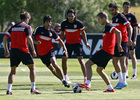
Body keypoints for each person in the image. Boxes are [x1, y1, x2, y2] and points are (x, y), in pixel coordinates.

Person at [78, 11, 122, 92]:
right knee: (99, 70)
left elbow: (118, 32)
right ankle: (110, 88)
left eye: (99, 19)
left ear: (104, 18)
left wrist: (119, 45)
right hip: (108, 52)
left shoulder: (108, 26)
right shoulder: (106, 27)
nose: (98, 21)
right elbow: (109, 41)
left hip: (106, 51)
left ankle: (88, 83)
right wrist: (101, 49)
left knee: (87, 64)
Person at [3, 11, 41, 95]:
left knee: (12, 71)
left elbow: (5, 38)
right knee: (32, 68)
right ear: (27, 18)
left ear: (20, 18)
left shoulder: (13, 27)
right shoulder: (27, 27)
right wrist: (33, 50)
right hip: (24, 50)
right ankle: (33, 89)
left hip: (13, 51)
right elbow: (30, 38)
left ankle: (9, 90)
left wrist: (6, 50)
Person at [32, 15, 70, 88]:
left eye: (50, 21)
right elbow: (31, 38)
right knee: (52, 69)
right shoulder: (39, 29)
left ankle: (64, 80)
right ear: (44, 22)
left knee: (54, 63)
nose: (49, 23)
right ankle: (62, 80)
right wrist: (35, 42)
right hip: (42, 53)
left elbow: (60, 40)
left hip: (50, 50)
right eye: (47, 22)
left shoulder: (52, 31)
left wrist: (65, 49)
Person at [60, 9, 91, 84]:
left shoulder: (79, 23)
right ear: (67, 16)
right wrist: (61, 42)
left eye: (72, 16)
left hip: (77, 44)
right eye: (69, 16)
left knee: (80, 60)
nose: (70, 18)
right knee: (64, 59)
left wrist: (86, 43)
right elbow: (62, 33)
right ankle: (66, 76)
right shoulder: (64, 23)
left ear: (74, 16)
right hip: (68, 44)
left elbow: (83, 33)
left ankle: (85, 78)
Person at [108, 2, 133, 89]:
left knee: (122, 60)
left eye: (112, 10)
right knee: (114, 61)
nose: (111, 11)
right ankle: (121, 81)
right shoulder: (113, 18)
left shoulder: (121, 17)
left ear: (117, 9)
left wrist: (129, 39)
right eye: (110, 10)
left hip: (123, 41)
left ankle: (124, 81)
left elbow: (130, 27)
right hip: (115, 42)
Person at [122, 1, 138, 79]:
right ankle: (126, 73)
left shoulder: (132, 16)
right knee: (125, 56)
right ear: (123, 7)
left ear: (130, 7)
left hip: (130, 39)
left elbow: (135, 29)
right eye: (125, 7)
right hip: (123, 39)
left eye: (128, 7)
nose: (126, 8)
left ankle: (135, 74)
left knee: (132, 55)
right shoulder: (121, 16)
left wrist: (134, 40)